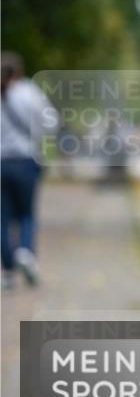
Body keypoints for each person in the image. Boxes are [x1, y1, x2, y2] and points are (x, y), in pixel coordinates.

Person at [1, 51, 49, 289]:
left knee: (3, 218)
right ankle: (26, 252)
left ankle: (8, 273)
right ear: (19, 71)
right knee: (26, 213)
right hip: (25, 161)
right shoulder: (28, 92)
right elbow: (50, 121)